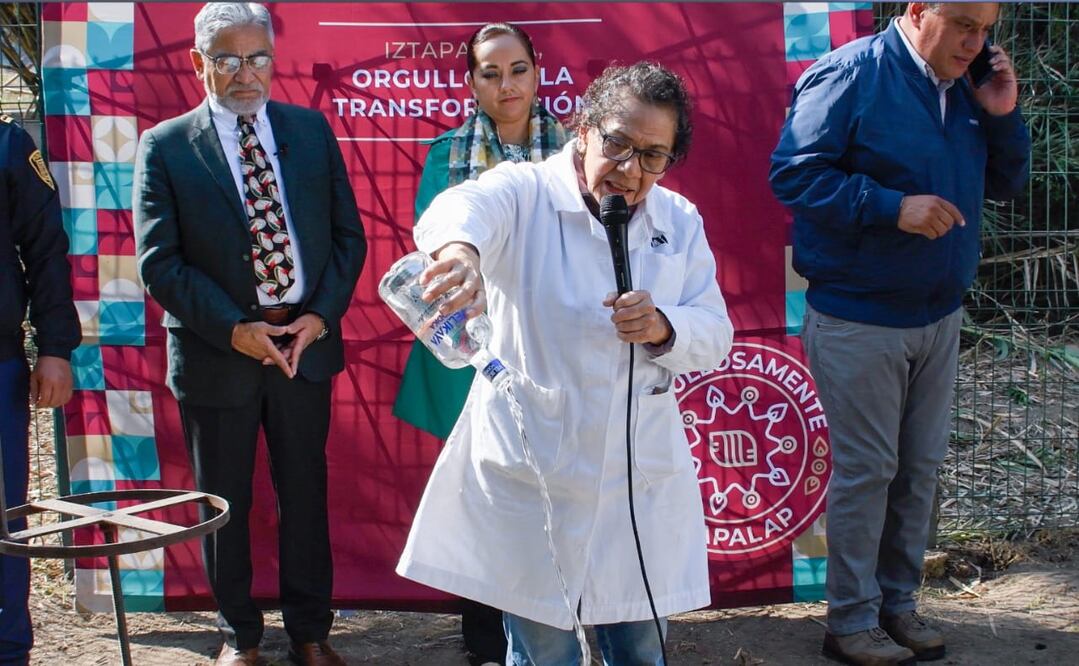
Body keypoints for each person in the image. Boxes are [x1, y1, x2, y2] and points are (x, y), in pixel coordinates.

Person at [396, 61, 733, 665]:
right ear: (583, 129)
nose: (630, 171)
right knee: (544, 655)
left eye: (653, 156)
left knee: (640, 652)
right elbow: (458, 208)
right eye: (618, 144)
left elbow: (715, 333)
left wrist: (664, 327)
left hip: (636, 481)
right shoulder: (525, 193)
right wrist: (462, 254)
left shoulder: (678, 222)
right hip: (536, 475)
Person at [769, 3, 1030, 665]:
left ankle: (896, 607)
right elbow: (793, 174)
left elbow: (1007, 183)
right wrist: (892, 208)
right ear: (917, 10)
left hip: (938, 315)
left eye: (985, 27)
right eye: (963, 24)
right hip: (859, 316)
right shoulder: (849, 75)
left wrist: (1003, 117)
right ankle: (848, 625)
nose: (976, 41)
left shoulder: (969, 85)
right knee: (867, 473)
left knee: (916, 473)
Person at [133, 4, 365, 665]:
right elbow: (160, 261)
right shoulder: (167, 145)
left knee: (304, 493)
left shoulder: (310, 132)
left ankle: (310, 633)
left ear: (273, 58)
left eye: (257, 56)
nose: (245, 73)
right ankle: (239, 635)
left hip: (303, 346)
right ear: (197, 63)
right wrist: (233, 329)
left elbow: (348, 238)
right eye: (227, 59)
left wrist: (318, 317)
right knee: (224, 502)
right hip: (218, 352)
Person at [390, 22, 568, 666]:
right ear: (471, 83)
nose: (506, 84)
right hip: (472, 352)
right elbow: (433, 256)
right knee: (488, 498)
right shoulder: (446, 155)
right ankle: (487, 644)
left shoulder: (576, 152)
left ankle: (560, 635)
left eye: (516, 69)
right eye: (490, 73)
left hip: (553, 347)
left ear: (537, 72)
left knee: (559, 491)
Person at [0, 114, 80, 665]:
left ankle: (9, 649)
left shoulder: (8, 144)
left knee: (3, 520)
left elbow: (46, 251)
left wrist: (54, 347)